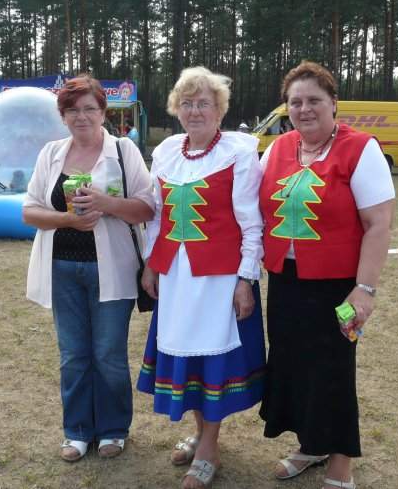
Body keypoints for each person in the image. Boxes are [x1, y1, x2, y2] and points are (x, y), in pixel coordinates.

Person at [258, 61, 395, 489]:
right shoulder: (278, 149)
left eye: (314, 100)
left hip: (338, 287)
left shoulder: (361, 149)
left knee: (333, 372)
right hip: (285, 281)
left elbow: (378, 224)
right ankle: (310, 445)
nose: (305, 109)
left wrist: (365, 289)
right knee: (293, 367)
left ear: (334, 103)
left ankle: (340, 464)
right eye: (295, 102)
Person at [137, 66, 265, 489]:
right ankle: (199, 432)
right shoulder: (166, 152)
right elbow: (158, 216)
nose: (195, 111)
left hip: (219, 278)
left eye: (204, 103)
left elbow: (251, 221)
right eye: (187, 103)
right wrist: (152, 263)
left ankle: (209, 446)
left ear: (219, 110)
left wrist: (246, 278)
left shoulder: (238, 152)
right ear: (177, 109)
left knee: (212, 359)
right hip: (177, 277)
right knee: (187, 358)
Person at [22, 76, 155, 462]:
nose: (81, 116)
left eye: (89, 109)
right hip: (62, 269)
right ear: (62, 115)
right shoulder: (51, 153)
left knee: (108, 354)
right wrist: (68, 220)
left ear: (103, 112)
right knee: (73, 354)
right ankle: (77, 431)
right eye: (72, 110)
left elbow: (147, 208)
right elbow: (29, 211)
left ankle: (113, 429)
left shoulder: (124, 151)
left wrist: (105, 203)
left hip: (112, 268)